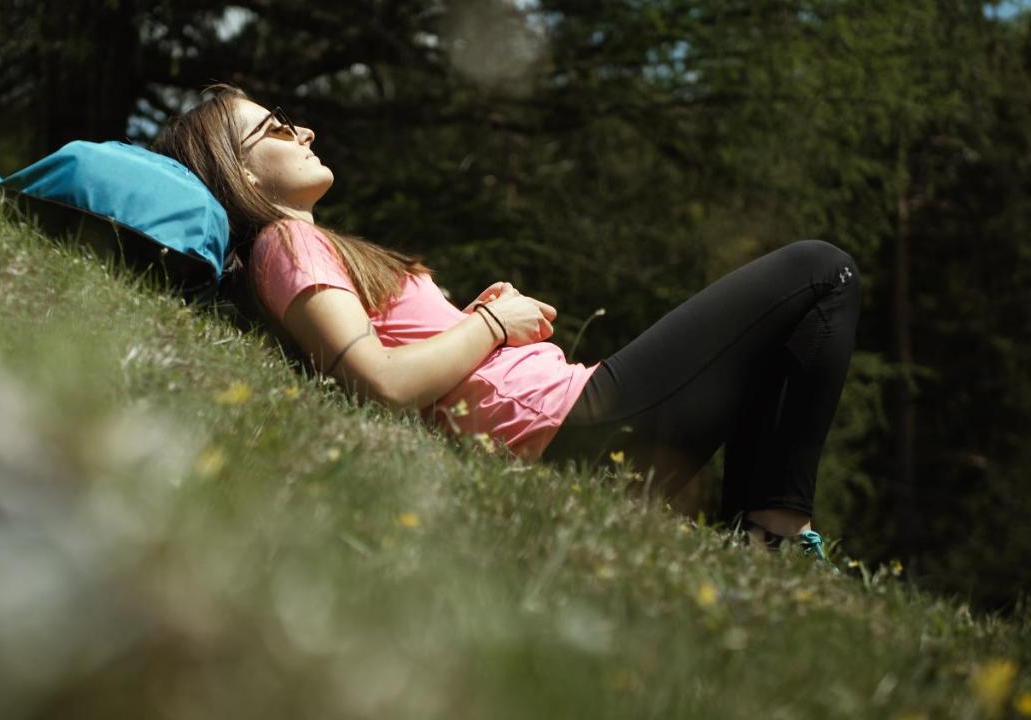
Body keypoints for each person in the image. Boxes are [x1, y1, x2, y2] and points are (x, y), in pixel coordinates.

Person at [152, 85, 861, 560]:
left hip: (561, 422)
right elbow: (382, 384)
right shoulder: (286, 244)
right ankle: (775, 534)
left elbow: (408, 363)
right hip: (567, 427)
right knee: (820, 271)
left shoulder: (306, 248)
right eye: (275, 128)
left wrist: (470, 321)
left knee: (787, 328)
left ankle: (765, 544)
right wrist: (492, 323)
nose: (302, 128)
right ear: (239, 171)